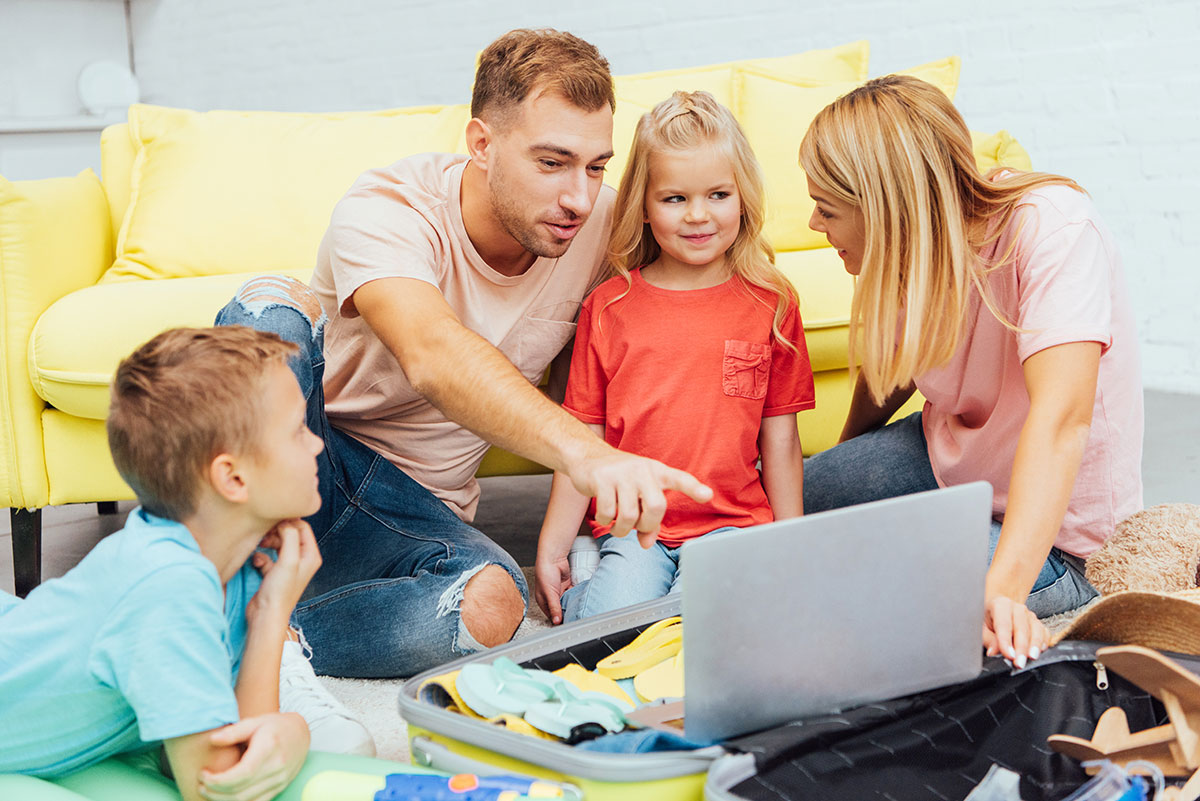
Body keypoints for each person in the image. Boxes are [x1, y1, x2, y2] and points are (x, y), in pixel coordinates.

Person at [215, 28, 712, 679]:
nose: (579, 198)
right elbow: (432, 351)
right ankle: (217, 573)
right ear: (481, 144)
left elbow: (698, 284)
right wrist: (589, 455)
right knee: (267, 310)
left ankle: (259, 642)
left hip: (416, 515)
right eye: (552, 162)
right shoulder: (389, 208)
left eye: (597, 166)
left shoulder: (599, 227)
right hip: (315, 461)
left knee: (492, 607)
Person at [798, 75, 1143, 667]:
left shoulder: (1053, 228)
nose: (812, 224)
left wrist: (1005, 589)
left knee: (857, 594)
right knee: (784, 504)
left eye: (827, 208)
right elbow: (895, 366)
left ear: (886, 208)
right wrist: (843, 467)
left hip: (1061, 537)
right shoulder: (915, 242)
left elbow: (1062, 421)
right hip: (946, 460)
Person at [0, 327, 321, 800]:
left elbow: (235, 746)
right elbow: (215, 785)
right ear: (231, 477)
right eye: (298, 430)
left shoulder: (235, 564)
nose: (316, 445)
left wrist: (271, 614)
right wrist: (296, 731)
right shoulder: (170, 587)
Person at [535, 91, 815, 624]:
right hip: (635, 524)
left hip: (735, 525)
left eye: (717, 195)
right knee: (610, 630)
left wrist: (790, 542)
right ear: (643, 204)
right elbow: (583, 440)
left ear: (743, 197)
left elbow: (780, 439)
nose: (698, 216)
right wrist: (553, 544)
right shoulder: (609, 306)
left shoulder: (773, 303)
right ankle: (591, 571)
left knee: (717, 624)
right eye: (674, 199)